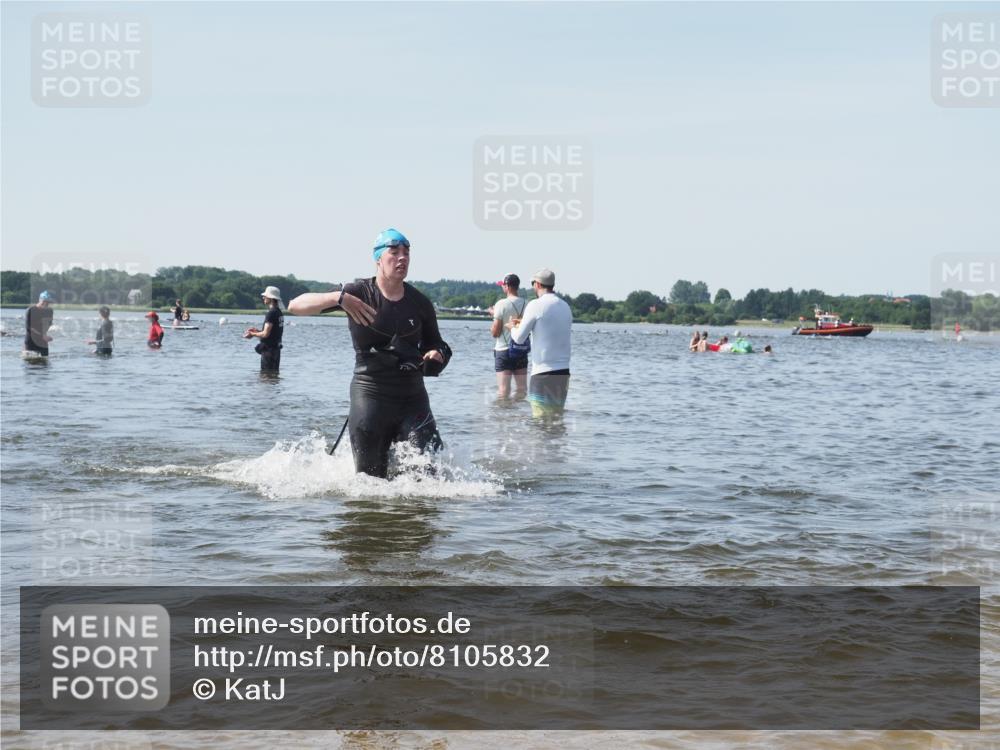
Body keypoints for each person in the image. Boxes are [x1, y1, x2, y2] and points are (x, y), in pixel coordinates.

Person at [288, 228, 450, 478]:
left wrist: (436, 355)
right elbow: (295, 306)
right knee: (370, 482)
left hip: (412, 397)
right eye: (394, 253)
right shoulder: (358, 293)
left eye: (406, 253)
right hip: (371, 394)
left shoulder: (419, 302)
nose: (402, 258)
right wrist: (339, 298)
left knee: (431, 475)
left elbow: (437, 344)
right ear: (378, 259)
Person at [508, 268, 572, 418]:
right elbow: (549, 328)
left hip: (543, 373)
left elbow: (518, 338)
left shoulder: (535, 305)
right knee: (556, 419)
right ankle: (559, 443)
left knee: (540, 422)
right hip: (563, 372)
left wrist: (512, 327)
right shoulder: (565, 306)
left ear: (537, 284)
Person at [491, 273, 529, 399]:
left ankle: (504, 416)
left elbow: (495, 333)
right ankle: (519, 415)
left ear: (507, 286)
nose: (502, 287)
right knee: (522, 389)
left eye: (503, 285)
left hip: (504, 350)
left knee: (503, 390)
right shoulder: (527, 304)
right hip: (521, 349)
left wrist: (494, 316)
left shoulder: (501, 304)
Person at [244, 286, 285, 372]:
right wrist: (257, 331)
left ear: (271, 298)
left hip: (269, 351)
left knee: (266, 378)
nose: (263, 297)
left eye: (265, 296)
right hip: (276, 350)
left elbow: (266, 334)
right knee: (273, 377)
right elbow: (272, 333)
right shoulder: (279, 312)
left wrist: (252, 334)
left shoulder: (271, 313)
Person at [24, 290, 54, 357]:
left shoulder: (50, 311)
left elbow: (49, 324)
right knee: (29, 363)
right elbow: (29, 327)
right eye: (44, 301)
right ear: (39, 299)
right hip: (31, 341)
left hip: (43, 341)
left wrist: (45, 335)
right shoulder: (30, 310)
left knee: (45, 363)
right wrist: (42, 335)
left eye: (48, 302)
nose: (46, 304)